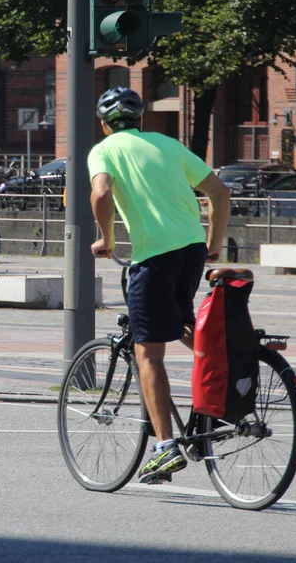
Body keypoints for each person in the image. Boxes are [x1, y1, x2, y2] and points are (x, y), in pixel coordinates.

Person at [87, 86, 231, 484]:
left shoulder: (104, 150)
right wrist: (214, 244)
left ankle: (165, 448)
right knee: (182, 324)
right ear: (141, 121)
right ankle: (229, 360)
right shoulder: (167, 144)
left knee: (148, 352)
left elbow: (100, 193)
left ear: (103, 125)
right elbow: (219, 190)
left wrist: (107, 239)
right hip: (191, 250)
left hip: (154, 255)